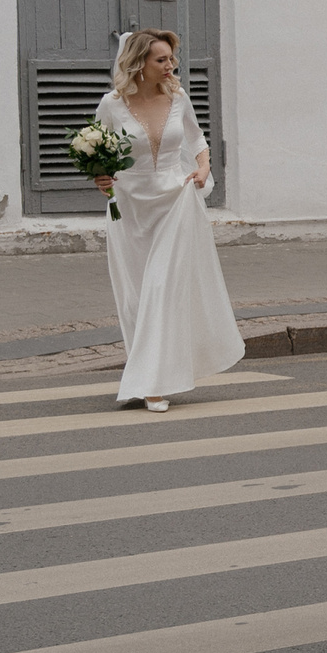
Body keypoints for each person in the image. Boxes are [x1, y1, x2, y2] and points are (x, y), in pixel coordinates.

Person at [93, 29, 245, 411]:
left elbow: (197, 141)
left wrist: (203, 167)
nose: (170, 66)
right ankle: (145, 374)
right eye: (161, 60)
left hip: (175, 200)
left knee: (163, 288)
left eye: (170, 59)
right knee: (136, 296)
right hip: (129, 206)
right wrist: (100, 175)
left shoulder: (178, 98)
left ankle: (154, 384)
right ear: (139, 63)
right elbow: (98, 149)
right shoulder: (111, 104)